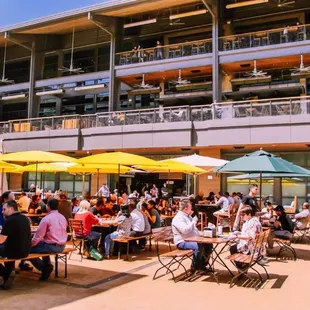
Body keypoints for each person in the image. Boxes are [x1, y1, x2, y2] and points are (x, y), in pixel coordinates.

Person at [29, 198, 67, 281]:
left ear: (48, 206)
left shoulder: (46, 219)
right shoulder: (62, 217)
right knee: (43, 244)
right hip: (62, 245)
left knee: (26, 250)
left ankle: (43, 268)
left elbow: (39, 236)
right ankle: (47, 265)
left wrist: (31, 243)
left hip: (51, 246)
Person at [172, 199, 212, 271]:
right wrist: (193, 222)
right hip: (182, 242)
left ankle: (202, 265)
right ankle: (195, 267)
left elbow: (194, 230)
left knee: (208, 244)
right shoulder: (178, 218)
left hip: (192, 239)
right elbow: (185, 230)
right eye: (190, 206)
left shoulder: (187, 216)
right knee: (198, 246)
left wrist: (203, 234)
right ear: (186, 208)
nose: (192, 208)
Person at [0, 200, 31, 289]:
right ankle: (9, 273)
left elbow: (1, 240)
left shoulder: (9, 221)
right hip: (25, 251)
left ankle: (6, 273)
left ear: (11, 209)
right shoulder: (25, 218)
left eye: (4, 209)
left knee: (5, 249)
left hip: (13, 252)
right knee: (7, 247)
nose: (2, 212)